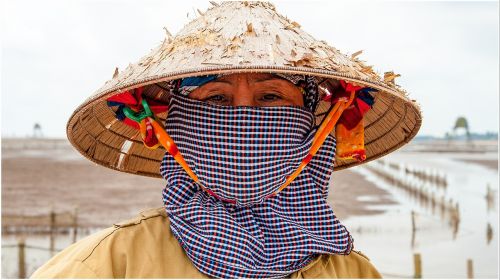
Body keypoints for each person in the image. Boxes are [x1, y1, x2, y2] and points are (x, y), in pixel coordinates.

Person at [32, 1, 421, 278]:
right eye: (216, 98)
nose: (243, 118)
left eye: (271, 97)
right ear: (176, 127)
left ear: (312, 125)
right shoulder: (107, 267)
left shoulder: (353, 273)